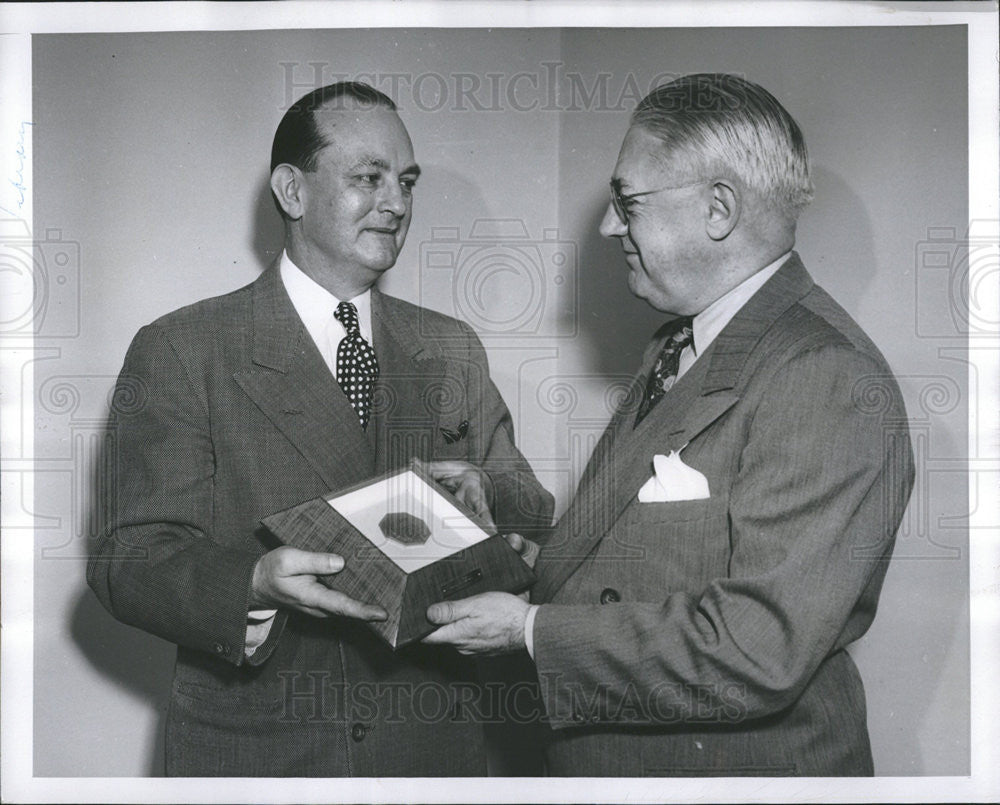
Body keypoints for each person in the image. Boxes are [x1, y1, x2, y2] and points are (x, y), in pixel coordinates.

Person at [423, 73, 915, 776]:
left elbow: (756, 645)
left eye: (627, 203)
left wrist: (530, 629)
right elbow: (649, 554)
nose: (607, 226)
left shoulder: (826, 375)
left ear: (719, 210)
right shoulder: (678, 343)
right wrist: (528, 556)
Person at [87, 81, 553, 777]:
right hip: (259, 754)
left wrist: (490, 498)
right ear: (292, 191)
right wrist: (250, 582)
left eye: (407, 181)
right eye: (369, 178)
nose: (396, 203)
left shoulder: (452, 347)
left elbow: (530, 509)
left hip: (429, 749)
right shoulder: (185, 347)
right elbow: (128, 557)